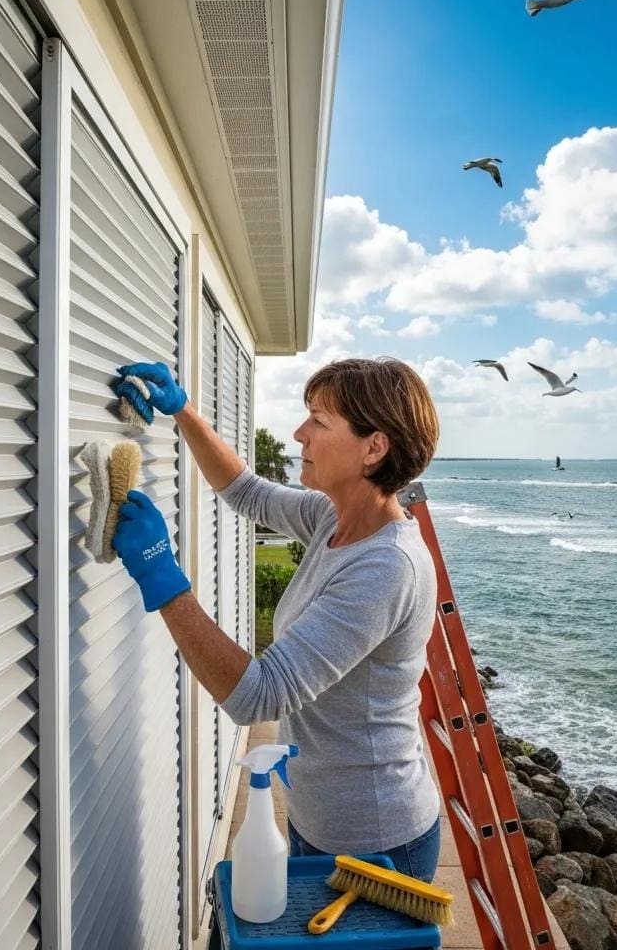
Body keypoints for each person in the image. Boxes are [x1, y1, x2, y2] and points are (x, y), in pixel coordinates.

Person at [112, 356, 442, 888]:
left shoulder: (386, 566)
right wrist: (184, 412)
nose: (299, 433)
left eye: (318, 420)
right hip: (319, 815)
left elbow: (257, 697)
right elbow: (246, 490)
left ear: (374, 448)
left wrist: (161, 575)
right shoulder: (332, 517)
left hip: (377, 841)